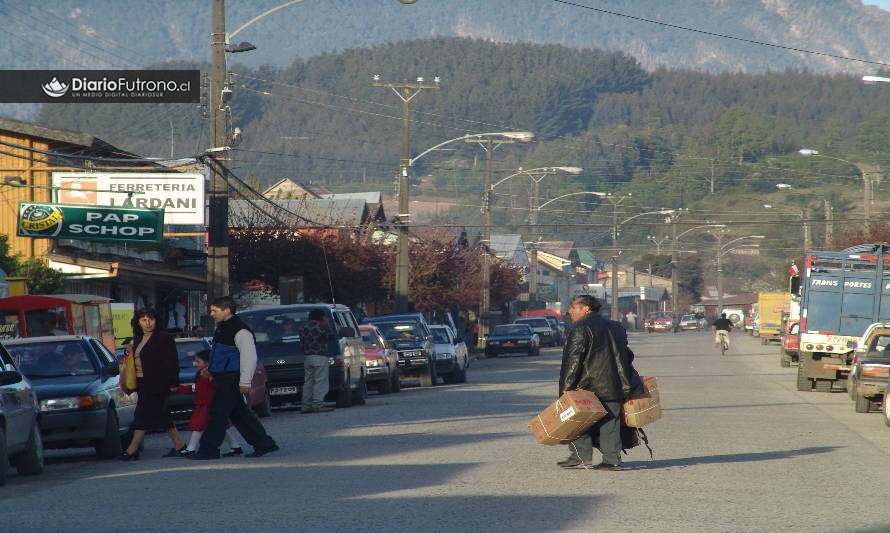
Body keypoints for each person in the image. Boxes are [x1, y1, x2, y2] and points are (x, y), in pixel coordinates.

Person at [191, 296, 279, 460]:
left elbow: (249, 357)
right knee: (239, 414)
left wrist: (245, 381)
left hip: (231, 378)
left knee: (218, 413)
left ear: (227, 310)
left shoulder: (241, 330)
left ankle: (208, 450)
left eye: (215, 311)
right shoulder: (222, 328)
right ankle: (264, 443)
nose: (211, 314)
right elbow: (219, 354)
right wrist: (211, 369)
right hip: (223, 377)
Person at [557, 295, 635, 471]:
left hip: (588, 386)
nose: (570, 311)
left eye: (574, 308)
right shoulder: (616, 327)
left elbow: (573, 361)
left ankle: (581, 455)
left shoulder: (579, 328)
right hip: (615, 383)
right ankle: (612, 459)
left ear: (586, 309)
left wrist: (566, 389)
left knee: (578, 420)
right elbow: (627, 355)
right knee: (610, 422)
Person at [120, 307, 186, 460]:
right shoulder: (138, 338)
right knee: (163, 415)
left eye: (151, 319)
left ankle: (132, 449)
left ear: (157, 321)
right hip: (142, 383)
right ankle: (179, 445)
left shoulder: (163, 337)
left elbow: (171, 361)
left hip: (158, 383)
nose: (148, 323)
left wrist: (173, 382)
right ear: (138, 322)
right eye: (144, 320)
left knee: (141, 415)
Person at [178, 349, 246, 457]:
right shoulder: (204, 374)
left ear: (207, 363)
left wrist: (180, 389)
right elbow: (197, 388)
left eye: (198, 361)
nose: (196, 364)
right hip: (206, 403)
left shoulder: (209, 375)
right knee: (218, 427)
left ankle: (191, 448)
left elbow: (199, 388)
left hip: (207, 404)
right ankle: (235, 445)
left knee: (199, 426)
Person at [299, 309, 335, 413]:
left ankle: (305, 405)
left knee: (308, 382)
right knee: (320, 381)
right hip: (320, 356)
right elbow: (331, 336)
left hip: (308, 357)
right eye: (325, 317)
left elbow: (301, 344)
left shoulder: (303, 328)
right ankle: (318, 404)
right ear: (321, 317)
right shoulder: (322, 326)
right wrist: (328, 325)